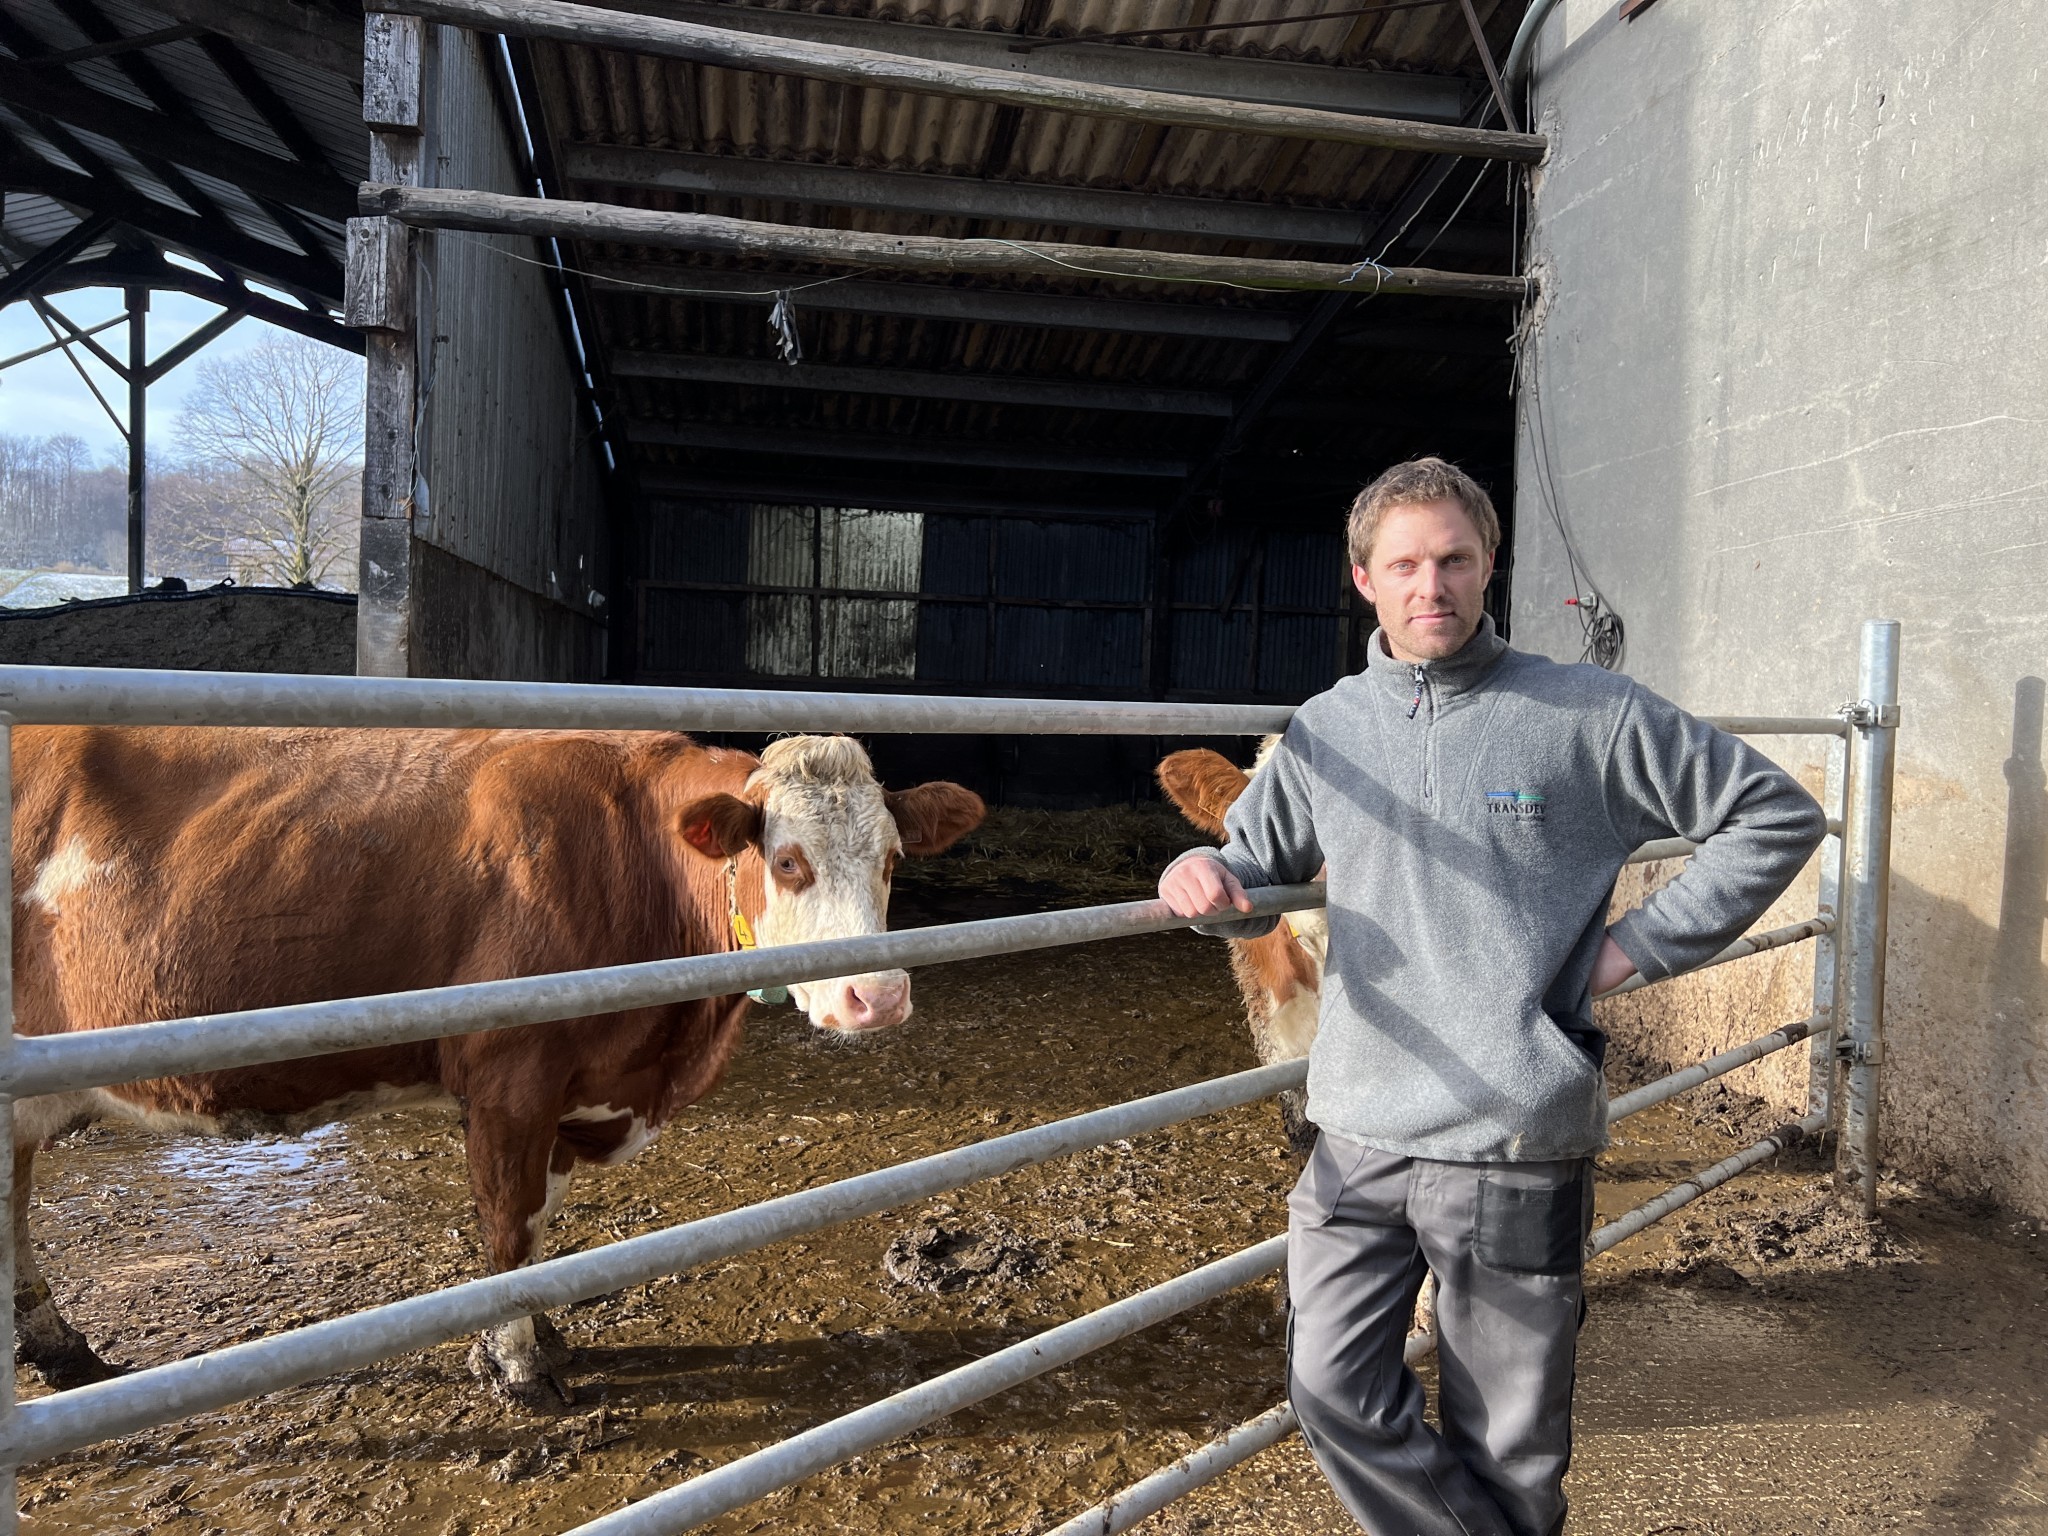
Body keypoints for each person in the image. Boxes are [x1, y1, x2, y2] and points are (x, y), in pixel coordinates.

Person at [1158, 458, 1825, 1536]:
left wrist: (1631, 950)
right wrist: (1196, 884)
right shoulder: (1325, 728)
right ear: (1362, 578)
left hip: (1513, 1134)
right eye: (1406, 563)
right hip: (1356, 1130)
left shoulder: (1585, 714)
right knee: (1327, 1388)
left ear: (1489, 565)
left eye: (1455, 559)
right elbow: (1249, 876)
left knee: (1510, 1450)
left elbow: (1771, 816)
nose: (1434, 585)